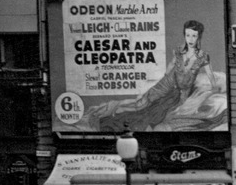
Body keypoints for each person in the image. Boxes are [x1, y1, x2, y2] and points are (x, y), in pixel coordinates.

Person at [79, 20, 227, 132]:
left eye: (194, 35)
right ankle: (105, 114)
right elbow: (171, 66)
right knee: (141, 104)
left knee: (159, 114)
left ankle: (113, 118)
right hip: (168, 83)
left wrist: (215, 89)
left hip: (182, 91)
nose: (190, 38)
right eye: (188, 34)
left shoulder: (203, 57)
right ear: (184, 35)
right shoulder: (179, 51)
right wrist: (164, 79)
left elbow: (210, 75)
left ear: (198, 36)